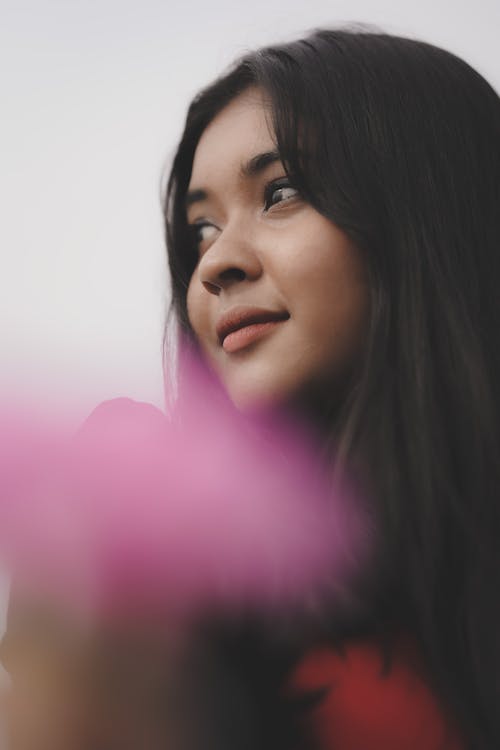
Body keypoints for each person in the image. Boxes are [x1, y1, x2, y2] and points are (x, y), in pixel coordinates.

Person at [163, 26, 500, 750]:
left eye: (280, 191)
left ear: (429, 214)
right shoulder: (161, 587)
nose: (215, 263)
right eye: (198, 230)